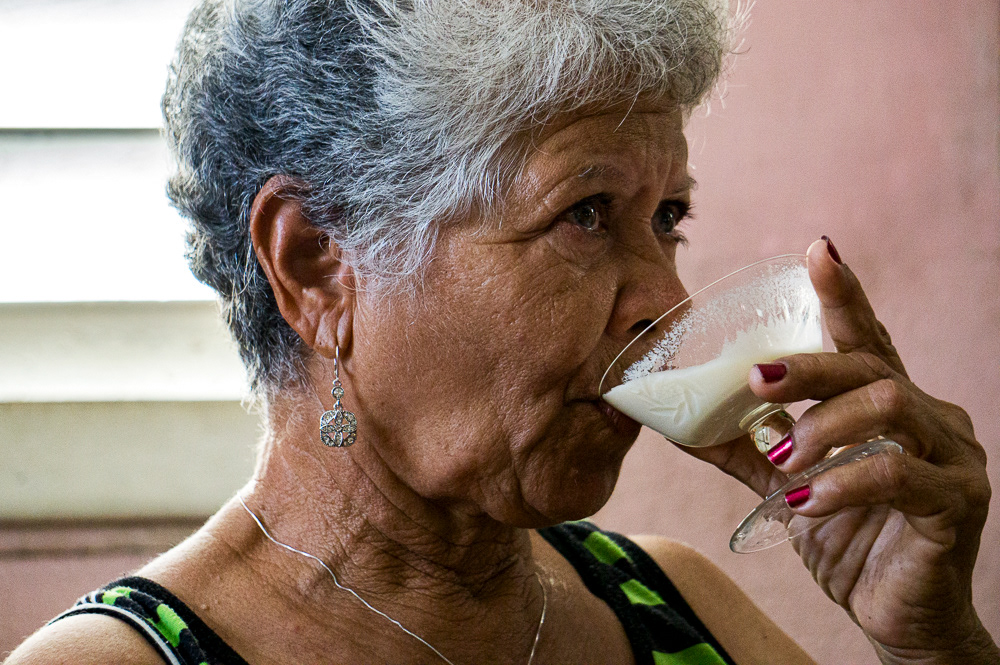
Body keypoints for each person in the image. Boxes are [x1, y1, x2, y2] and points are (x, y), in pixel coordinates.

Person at [6, 0, 996, 663]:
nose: (667, 300)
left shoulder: (672, 608)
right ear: (315, 262)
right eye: (586, 213)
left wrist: (933, 642)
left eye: (666, 219)